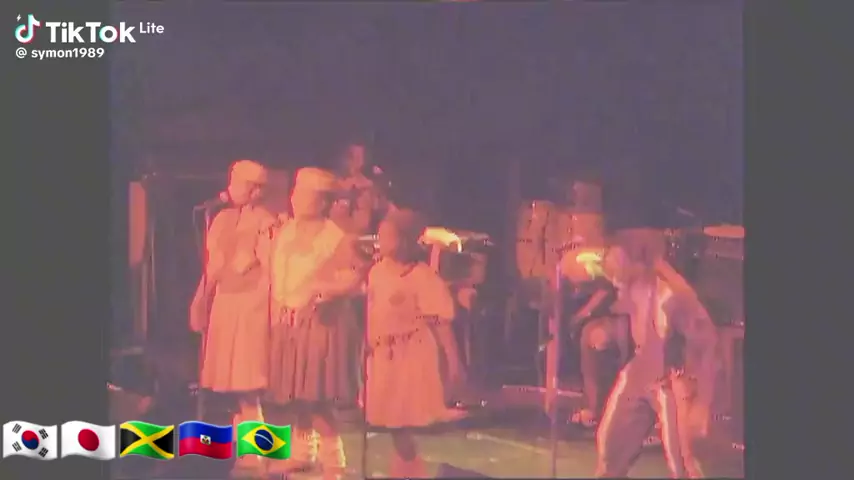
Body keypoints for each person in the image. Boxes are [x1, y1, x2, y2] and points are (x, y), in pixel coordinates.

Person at [266, 167, 368, 477]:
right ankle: (303, 452)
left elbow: (357, 279)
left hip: (321, 324)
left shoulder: (335, 239)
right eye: (296, 193)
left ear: (323, 202)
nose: (296, 199)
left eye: (306, 195)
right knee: (296, 394)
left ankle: (334, 462)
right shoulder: (286, 232)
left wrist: (328, 290)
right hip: (290, 322)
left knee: (316, 395)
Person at [595, 228, 717, 478]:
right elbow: (596, 268)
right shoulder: (630, 284)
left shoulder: (673, 296)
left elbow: (708, 344)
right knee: (611, 449)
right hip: (641, 370)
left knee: (683, 464)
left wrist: (702, 404)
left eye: (618, 256)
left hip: (673, 380)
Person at [188, 159, 276, 476]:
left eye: (238, 183)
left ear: (255, 190)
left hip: (251, 304)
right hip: (226, 302)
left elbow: (271, 268)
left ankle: (260, 450)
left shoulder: (267, 222)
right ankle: (245, 449)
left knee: (248, 382)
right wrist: (200, 300)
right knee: (233, 384)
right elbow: (213, 268)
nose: (231, 188)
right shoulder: (221, 219)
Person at [364, 209, 463, 478]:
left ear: (405, 239)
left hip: (411, 356)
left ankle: (410, 471)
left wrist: (453, 360)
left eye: (388, 236)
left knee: (401, 420)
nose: (382, 241)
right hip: (383, 353)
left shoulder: (420, 276)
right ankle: (405, 469)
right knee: (393, 423)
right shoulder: (376, 272)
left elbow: (440, 322)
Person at [330, 143, 380, 234]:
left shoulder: (368, 186)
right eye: (352, 156)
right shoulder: (332, 184)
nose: (359, 161)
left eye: (360, 157)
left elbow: (371, 215)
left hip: (362, 234)